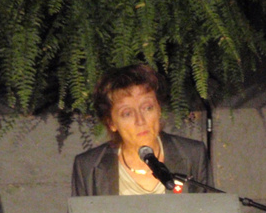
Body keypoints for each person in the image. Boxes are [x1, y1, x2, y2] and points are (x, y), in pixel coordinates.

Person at [70, 63, 211, 197]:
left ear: (159, 109)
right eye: (127, 113)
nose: (140, 121)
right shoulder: (88, 167)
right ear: (111, 123)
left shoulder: (192, 154)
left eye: (147, 108)